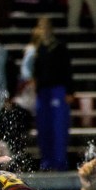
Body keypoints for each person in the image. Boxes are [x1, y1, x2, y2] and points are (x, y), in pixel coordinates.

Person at [32, 16, 74, 170]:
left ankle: (59, 162)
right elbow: (36, 73)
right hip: (43, 93)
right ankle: (46, 162)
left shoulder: (60, 47)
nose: (44, 30)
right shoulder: (39, 49)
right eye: (41, 27)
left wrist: (69, 90)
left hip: (58, 90)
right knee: (44, 127)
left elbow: (67, 70)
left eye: (46, 26)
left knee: (58, 127)